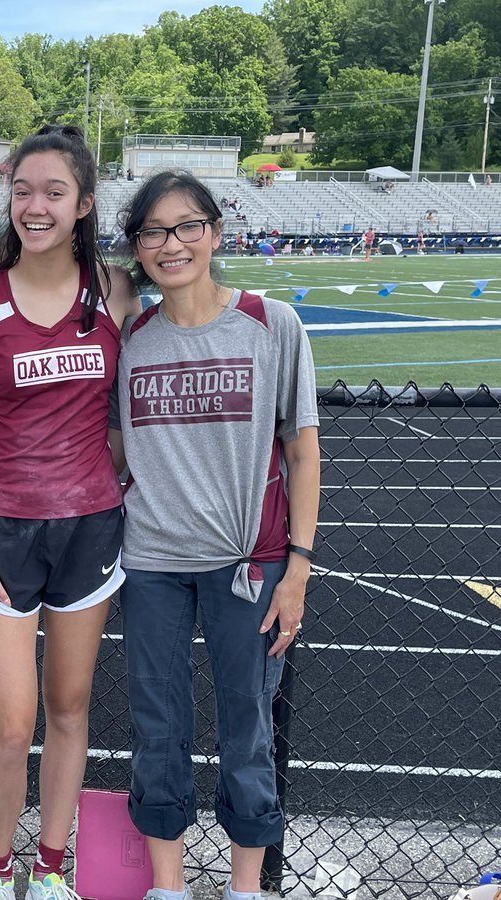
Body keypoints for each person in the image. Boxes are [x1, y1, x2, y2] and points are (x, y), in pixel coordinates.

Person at [0, 124, 140, 900]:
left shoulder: (115, 293)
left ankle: (52, 868)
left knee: (68, 708)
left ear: (83, 203)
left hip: (90, 529)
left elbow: (130, 409)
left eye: (54, 192)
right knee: (10, 722)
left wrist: (101, 471)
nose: (36, 206)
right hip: (2, 534)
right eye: (23, 190)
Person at [114, 170, 320, 900]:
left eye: (187, 227)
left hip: (249, 564)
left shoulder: (272, 324)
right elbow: (114, 447)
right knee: (156, 724)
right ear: (137, 246)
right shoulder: (131, 339)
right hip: (151, 562)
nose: (172, 244)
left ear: (216, 233)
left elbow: (302, 450)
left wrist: (299, 568)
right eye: (154, 232)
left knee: (248, 728)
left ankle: (244, 889)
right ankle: (168, 887)